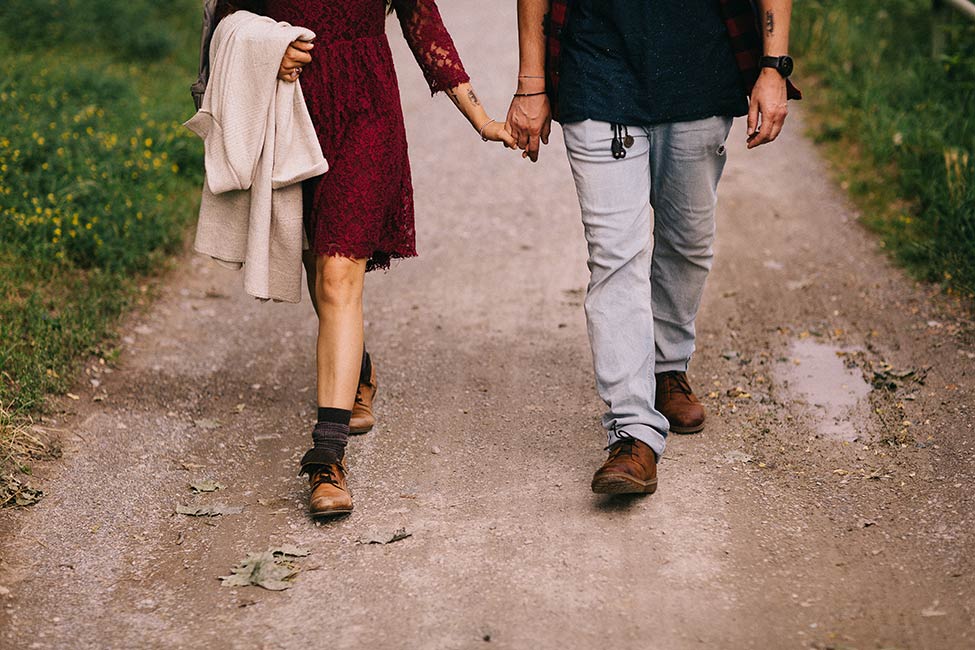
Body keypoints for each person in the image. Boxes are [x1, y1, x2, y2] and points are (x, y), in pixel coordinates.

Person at [213, 0, 515, 517]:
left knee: (337, 273)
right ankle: (358, 368)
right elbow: (226, 22)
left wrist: (479, 117)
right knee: (317, 261)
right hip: (291, 112)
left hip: (367, 109)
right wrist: (270, 48)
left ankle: (326, 457)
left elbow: (423, 23)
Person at [506, 0, 798, 494]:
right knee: (615, 257)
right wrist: (531, 81)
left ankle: (667, 366)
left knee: (687, 243)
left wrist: (773, 67)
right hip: (596, 66)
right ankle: (633, 431)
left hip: (700, 68)